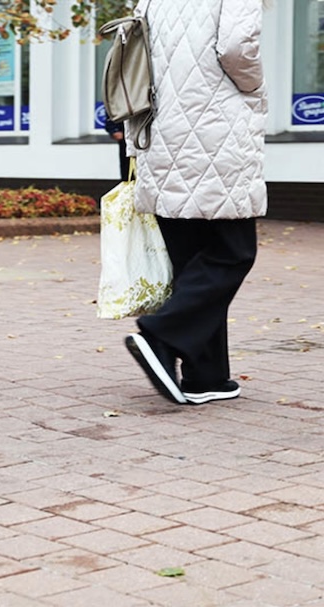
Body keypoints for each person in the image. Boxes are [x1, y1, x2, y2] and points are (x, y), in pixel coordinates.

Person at [123, 0, 267, 405]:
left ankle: (207, 377)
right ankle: (161, 335)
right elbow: (238, 48)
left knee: (193, 262)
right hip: (215, 133)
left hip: (161, 133)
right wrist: (255, 88)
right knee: (232, 252)